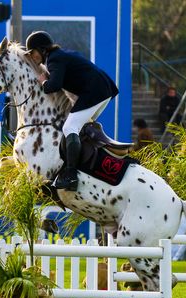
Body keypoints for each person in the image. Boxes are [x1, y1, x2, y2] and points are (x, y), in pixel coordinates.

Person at [25, 31, 119, 191]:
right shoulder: (59, 55)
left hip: (96, 92)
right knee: (78, 128)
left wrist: (43, 82)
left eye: (32, 52)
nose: (32, 56)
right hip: (102, 89)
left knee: (70, 128)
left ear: (41, 49)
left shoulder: (54, 59)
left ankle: (71, 175)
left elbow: (53, 86)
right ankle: (86, 168)